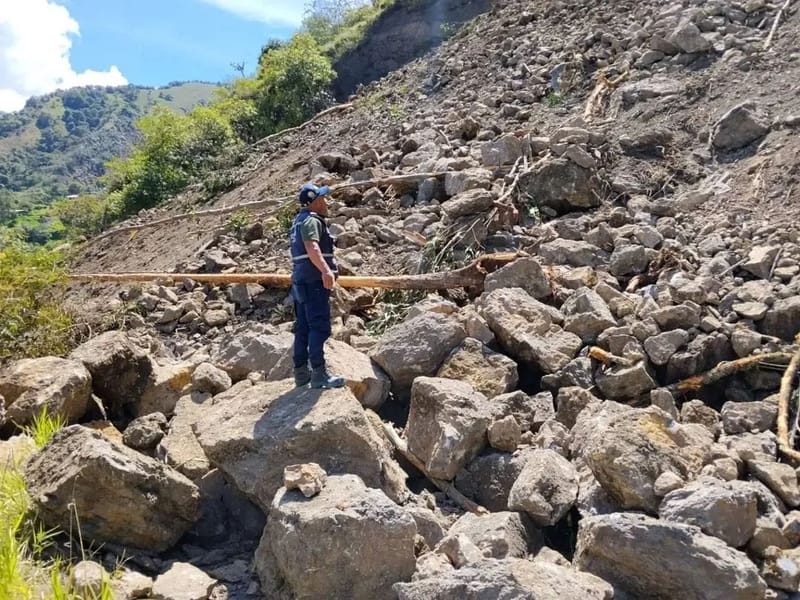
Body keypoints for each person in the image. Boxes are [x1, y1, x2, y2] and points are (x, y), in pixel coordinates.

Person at [290, 183, 345, 389]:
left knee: (303, 326)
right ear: (315, 202)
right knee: (318, 326)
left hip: (300, 280)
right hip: (314, 281)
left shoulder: (298, 221)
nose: (326, 201)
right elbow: (312, 246)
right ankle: (319, 374)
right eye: (322, 198)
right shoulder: (312, 220)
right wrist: (325, 270)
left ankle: (301, 373)